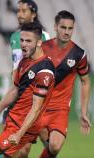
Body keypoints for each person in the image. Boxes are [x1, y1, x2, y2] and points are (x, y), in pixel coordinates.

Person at [0, 22, 55, 158]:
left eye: (28, 41)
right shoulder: (25, 62)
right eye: (22, 40)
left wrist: (19, 134)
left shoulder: (44, 70)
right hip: (15, 121)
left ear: (39, 43)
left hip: (22, 126)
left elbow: (36, 108)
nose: (23, 44)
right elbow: (15, 90)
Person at [39, 10, 91, 158]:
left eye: (70, 28)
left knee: (54, 147)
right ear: (55, 27)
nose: (67, 32)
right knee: (22, 150)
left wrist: (83, 113)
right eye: (63, 27)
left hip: (59, 109)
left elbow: (85, 81)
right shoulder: (41, 48)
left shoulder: (78, 54)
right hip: (38, 105)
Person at [4, 1, 50, 157]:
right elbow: (16, 64)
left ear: (34, 14)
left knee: (32, 146)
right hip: (19, 92)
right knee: (13, 146)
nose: (19, 14)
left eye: (24, 11)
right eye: (18, 11)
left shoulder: (44, 36)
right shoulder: (15, 36)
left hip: (35, 93)